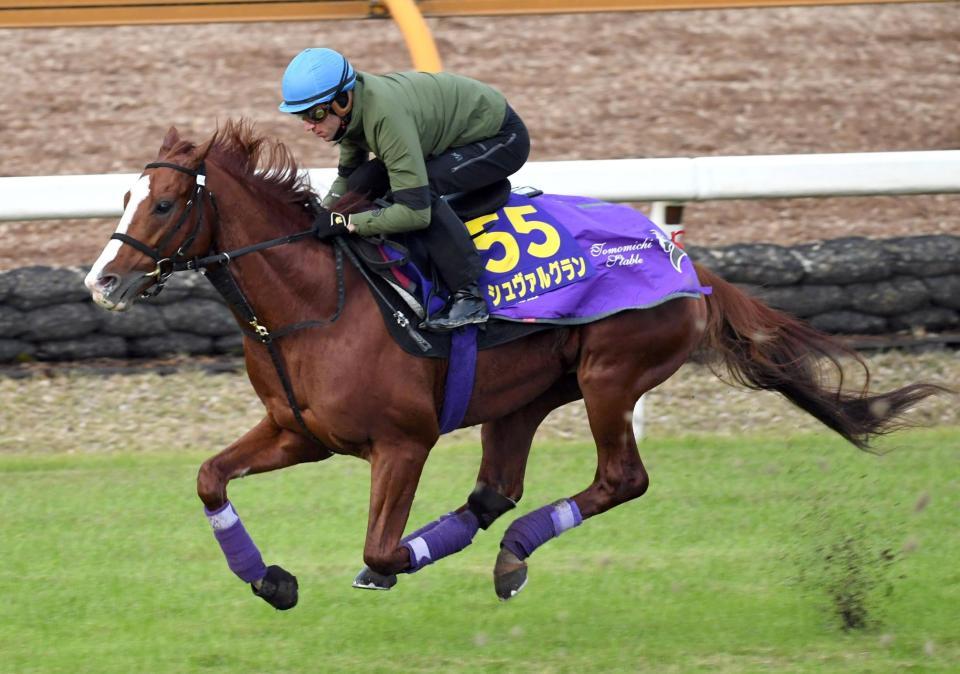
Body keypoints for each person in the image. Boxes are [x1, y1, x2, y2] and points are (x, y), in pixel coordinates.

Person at [278, 47, 530, 331]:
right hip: (451, 137)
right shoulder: (353, 112)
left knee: (422, 190)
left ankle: (469, 296)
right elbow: (349, 178)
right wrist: (324, 214)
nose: (308, 126)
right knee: (363, 181)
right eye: (301, 116)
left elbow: (415, 212)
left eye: (315, 114)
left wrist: (348, 223)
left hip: (501, 139)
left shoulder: (385, 117)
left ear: (342, 102)